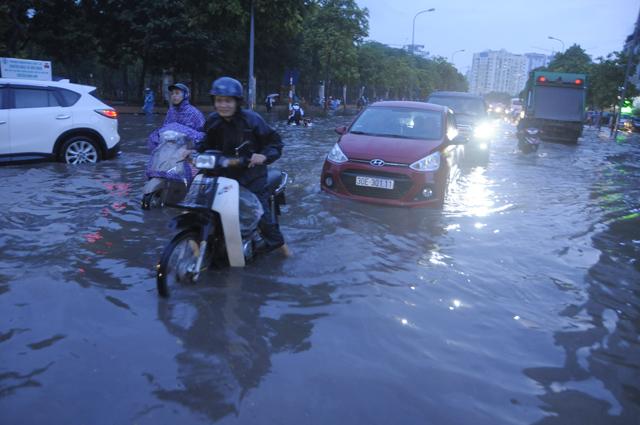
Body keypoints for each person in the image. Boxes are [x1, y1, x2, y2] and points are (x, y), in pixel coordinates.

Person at [200, 76, 287, 255]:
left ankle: (278, 245)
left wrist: (263, 156)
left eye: (228, 101)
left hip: (251, 175)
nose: (223, 105)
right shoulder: (212, 121)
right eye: (219, 101)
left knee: (260, 215)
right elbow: (204, 145)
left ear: (237, 102)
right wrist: (190, 152)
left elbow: (275, 143)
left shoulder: (252, 120)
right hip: (221, 174)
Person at [147, 83, 206, 151]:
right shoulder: (171, 111)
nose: (174, 96)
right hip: (171, 148)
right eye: (172, 94)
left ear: (185, 95)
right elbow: (165, 128)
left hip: (188, 149)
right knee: (154, 136)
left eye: (177, 93)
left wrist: (181, 131)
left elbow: (203, 136)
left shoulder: (195, 113)